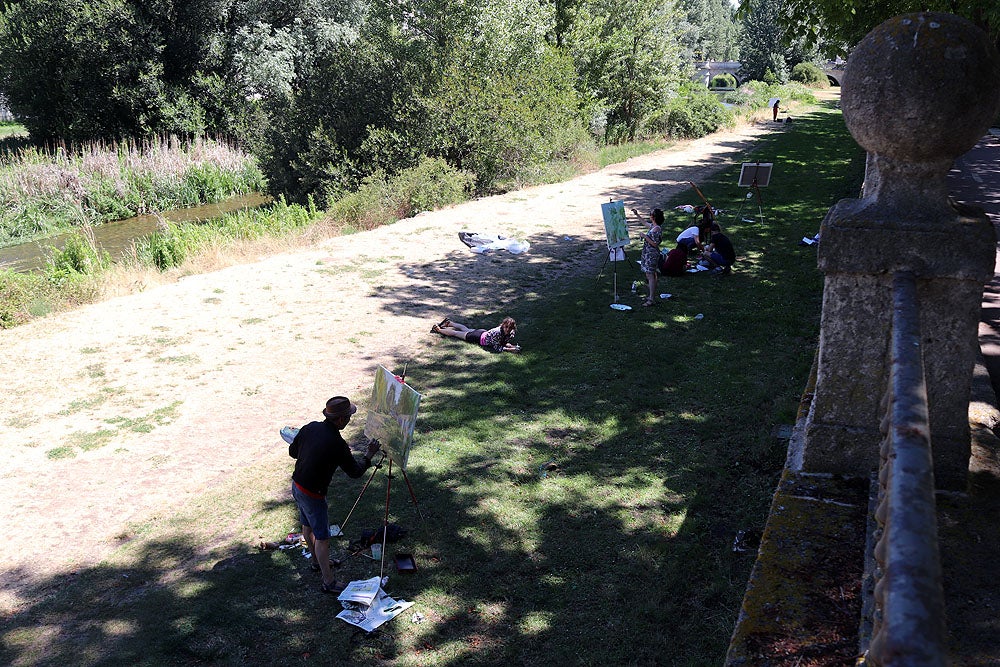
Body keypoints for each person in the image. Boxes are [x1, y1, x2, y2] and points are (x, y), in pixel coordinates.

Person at [289, 396, 381, 595]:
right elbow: (355, 472)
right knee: (322, 538)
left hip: (297, 486)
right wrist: (369, 455)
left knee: (307, 526)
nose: (349, 420)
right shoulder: (337, 443)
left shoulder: (310, 427)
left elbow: (293, 452)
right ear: (340, 420)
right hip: (313, 494)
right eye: (348, 417)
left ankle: (317, 563)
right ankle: (328, 582)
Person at [431, 316, 521, 353]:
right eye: (506, 327)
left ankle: (450, 323)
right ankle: (439, 330)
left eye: (510, 328)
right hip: (478, 337)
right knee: (456, 333)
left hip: (483, 332)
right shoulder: (497, 333)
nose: (508, 330)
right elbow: (496, 347)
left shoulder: (511, 332)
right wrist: (511, 349)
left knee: (465, 329)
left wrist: (512, 345)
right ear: (503, 326)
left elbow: (503, 342)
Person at [638, 208, 663, 306]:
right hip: (648, 253)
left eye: (650, 214)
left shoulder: (657, 229)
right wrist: (637, 215)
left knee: (650, 275)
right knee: (651, 275)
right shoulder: (653, 226)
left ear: (653, 217)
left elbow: (655, 244)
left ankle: (651, 299)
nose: (649, 215)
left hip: (651, 254)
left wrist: (645, 237)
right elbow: (644, 223)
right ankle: (651, 296)